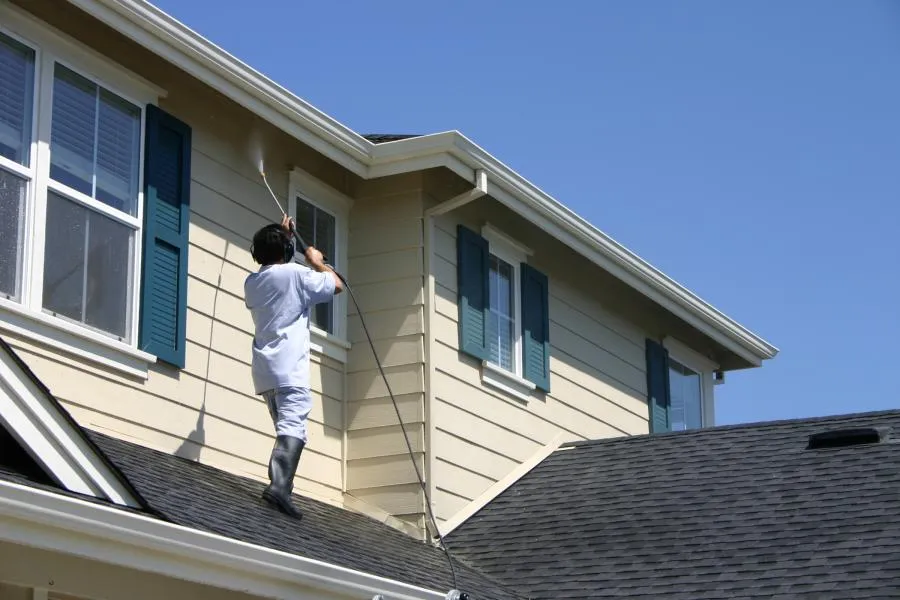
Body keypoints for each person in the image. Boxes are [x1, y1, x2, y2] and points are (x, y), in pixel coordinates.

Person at [244, 214, 343, 519]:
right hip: (290, 369)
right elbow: (336, 285)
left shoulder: (253, 282)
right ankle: (279, 488)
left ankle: (283, 487)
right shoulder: (297, 275)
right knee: (293, 426)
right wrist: (315, 260)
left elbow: (276, 268)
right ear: (287, 252)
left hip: (266, 370)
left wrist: (284, 236)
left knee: (283, 427)